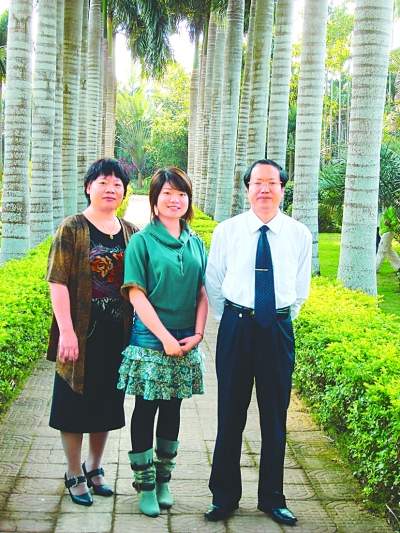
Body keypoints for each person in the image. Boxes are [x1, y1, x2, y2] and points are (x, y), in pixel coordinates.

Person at [204, 159, 312, 526]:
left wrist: (277, 317)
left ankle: (272, 498)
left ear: (282, 189)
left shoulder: (298, 233)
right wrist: (232, 319)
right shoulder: (228, 231)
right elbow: (214, 281)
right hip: (236, 328)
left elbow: (300, 288)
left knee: (275, 418)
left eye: (272, 183)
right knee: (229, 415)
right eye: (257, 183)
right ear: (247, 188)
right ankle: (224, 497)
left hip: (277, 330)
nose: (264, 189)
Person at [117, 167, 208, 518]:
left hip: (186, 340)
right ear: (155, 201)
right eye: (167, 193)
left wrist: (197, 334)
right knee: (146, 409)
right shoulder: (141, 242)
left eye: (181, 194)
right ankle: (145, 485)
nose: (175, 199)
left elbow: (202, 292)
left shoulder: (196, 241)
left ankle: (164, 481)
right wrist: (165, 338)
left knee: (173, 409)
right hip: (150, 341)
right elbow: (136, 295)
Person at [46, 158, 137, 506]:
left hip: (118, 335)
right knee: (73, 403)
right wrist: (66, 331)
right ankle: (73, 472)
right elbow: (57, 282)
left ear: (124, 191)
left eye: (117, 184)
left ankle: (95, 467)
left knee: (107, 404)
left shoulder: (131, 232)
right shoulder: (72, 228)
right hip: (80, 335)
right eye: (103, 182)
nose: (110, 189)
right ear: (88, 187)